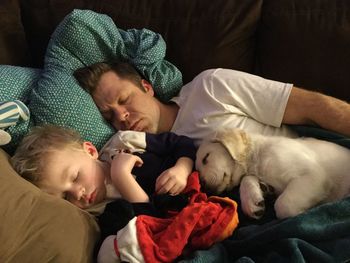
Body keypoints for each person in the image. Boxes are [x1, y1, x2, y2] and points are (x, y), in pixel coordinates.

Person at [73, 61, 350, 147]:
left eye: (124, 99)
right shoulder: (136, 152)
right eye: (109, 115)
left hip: (311, 168)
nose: (121, 116)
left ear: (147, 87)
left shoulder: (210, 87)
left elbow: (313, 106)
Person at [10, 124, 196, 209]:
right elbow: (151, 222)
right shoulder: (99, 211)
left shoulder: (124, 142)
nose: (77, 193)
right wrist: (121, 175)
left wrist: (182, 168)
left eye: (75, 177)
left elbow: (180, 143)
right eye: (65, 197)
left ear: (90, 151)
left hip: (194, 178)